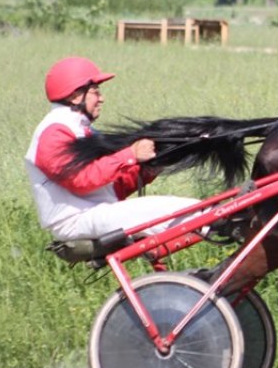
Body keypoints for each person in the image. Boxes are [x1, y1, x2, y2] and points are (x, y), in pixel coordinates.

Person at [25, 56, 199, 243]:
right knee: (188, 211)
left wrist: (152, 166)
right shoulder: (54, 131)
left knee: (187, 210)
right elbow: (80, 179)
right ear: (75, 96)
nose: (102, 99)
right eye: (95, 92)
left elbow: (112, 187)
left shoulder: (81, 129)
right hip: (76, 221)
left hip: (95, 213)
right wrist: (131, 154)